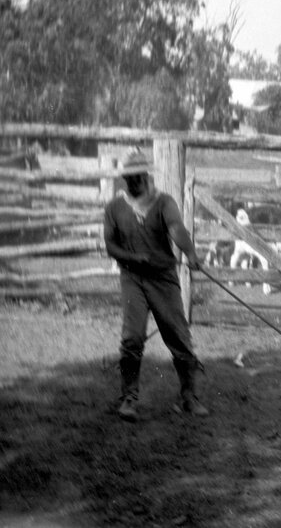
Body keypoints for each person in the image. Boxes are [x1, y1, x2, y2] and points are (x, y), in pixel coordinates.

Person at [103, 149, 208, 421]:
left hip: (163, 278)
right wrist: (133, 257)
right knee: (132, 337)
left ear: (146, 175)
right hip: (132, 279)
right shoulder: (114, 208)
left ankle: (188, 397)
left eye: (137, 177)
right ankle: (129, 398)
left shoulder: (164, 203)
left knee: (179, 337)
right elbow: (110, 246)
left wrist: (191, 254)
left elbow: (176, 229)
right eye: (128, 178)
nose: (133, 182)